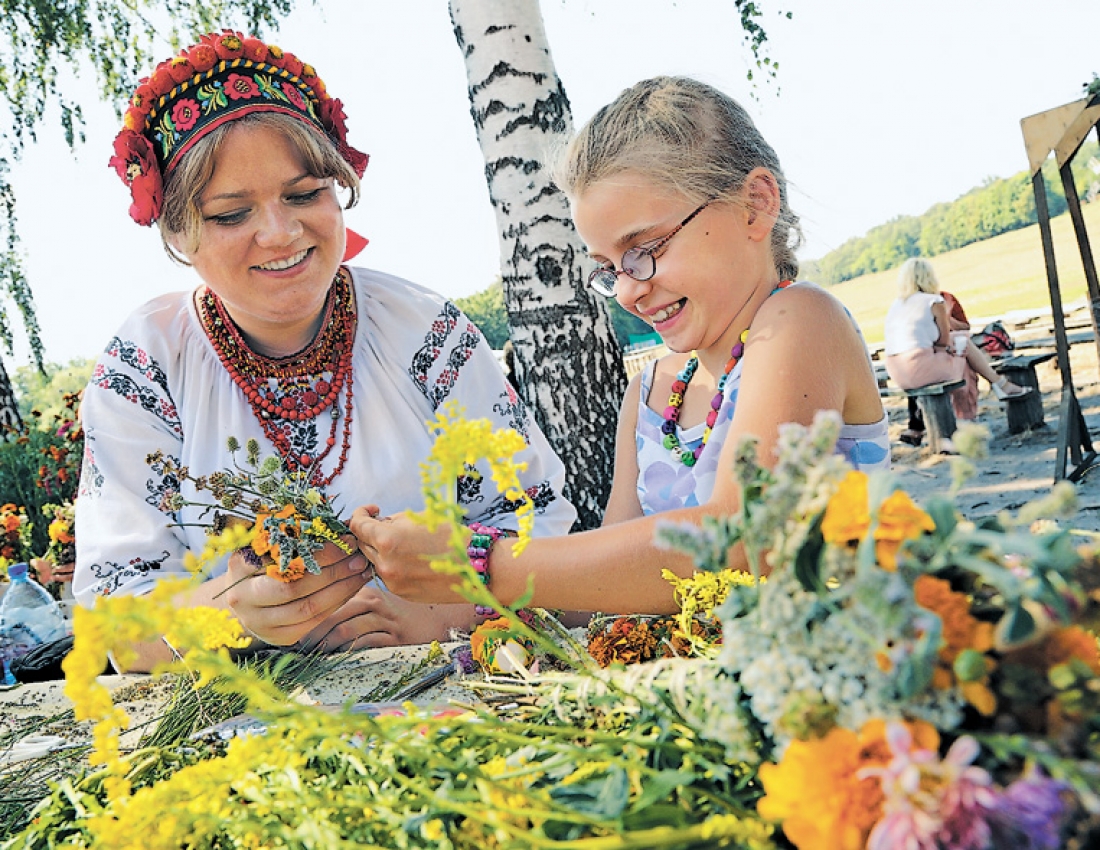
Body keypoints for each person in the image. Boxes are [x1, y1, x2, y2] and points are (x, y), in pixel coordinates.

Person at [73, 30, 576, 670]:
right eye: (231, 214)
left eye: (304, 194)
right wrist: (232, 614)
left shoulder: (421, 331)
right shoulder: (146, 366)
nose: (281, 233)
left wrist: (442, 615)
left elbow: (546, 531)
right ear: (179, 232)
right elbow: (114, 628)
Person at [349, 76, 890, 616]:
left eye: (645, 249)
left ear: (755, 204)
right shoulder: (649, 392)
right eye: (608, 269)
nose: (628, 290)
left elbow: (744, 541)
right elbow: (608, 591)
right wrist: (443, 613)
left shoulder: (800, 322)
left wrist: (478, 566)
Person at [884, 258, 1029, 449]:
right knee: (963, 346)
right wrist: (947, 345)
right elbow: (943, 340)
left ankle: (975, 408)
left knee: (961, 352)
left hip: (898, 372)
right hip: (920, 367)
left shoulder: (898, 303)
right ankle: (992, 392)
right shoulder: (935, 301)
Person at [899, 288, 978, 446]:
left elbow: (965, 327)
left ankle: (963, 418)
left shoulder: (947, 298)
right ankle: (919, 426)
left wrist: (946, 319)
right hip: (930, 353)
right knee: (919, 369)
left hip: (951, 349)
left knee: (963, 361)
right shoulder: (911, 305)